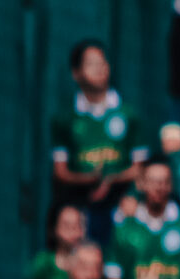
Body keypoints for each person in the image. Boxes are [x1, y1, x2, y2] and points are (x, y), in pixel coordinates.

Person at [50, 41, 147, 237]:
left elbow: (140, 168)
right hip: (80, 204)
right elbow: (60, 172)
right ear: (76, 73)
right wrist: (88, 179)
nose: (100, 69)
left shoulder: (128, 114)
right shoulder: (65, 118)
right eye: (92, 64)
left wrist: (111, 179)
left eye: (103, 63)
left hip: (120, 205)